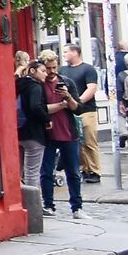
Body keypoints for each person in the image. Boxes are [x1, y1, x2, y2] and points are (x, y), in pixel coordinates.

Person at [39, 53, 85, 220]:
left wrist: (67, 96)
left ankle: (77, 207)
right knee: (46, 172)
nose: (51, 71)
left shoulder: (66, 82)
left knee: (73, 171)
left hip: (68, 132)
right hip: (48, 135)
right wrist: (61, 105)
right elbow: (40, 109)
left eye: (54, 68)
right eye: (48, 68)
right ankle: (49, 205)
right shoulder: (39, 84)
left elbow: (78, 109)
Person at [61, 43, 102, 181]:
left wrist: (78, 102)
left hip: (87, 110)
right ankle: (84, 168)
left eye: (66, 51)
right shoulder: (62, 70)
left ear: (75, 52)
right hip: (70, 111)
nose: (64, 54)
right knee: (77, 142)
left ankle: (94, 170)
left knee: (89, 141)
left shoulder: (88, 69)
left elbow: (91, 88)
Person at [13, 50, 49, 200]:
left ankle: (20, 201)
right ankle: (34, 205)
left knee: (18, 171)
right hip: (34, 132)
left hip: (19, 131)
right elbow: (35, 107)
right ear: (33, 71)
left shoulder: (19, 84)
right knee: (32, 172)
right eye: (43, 71)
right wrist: (47, 119)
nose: (46, 74)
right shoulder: (35, 86)